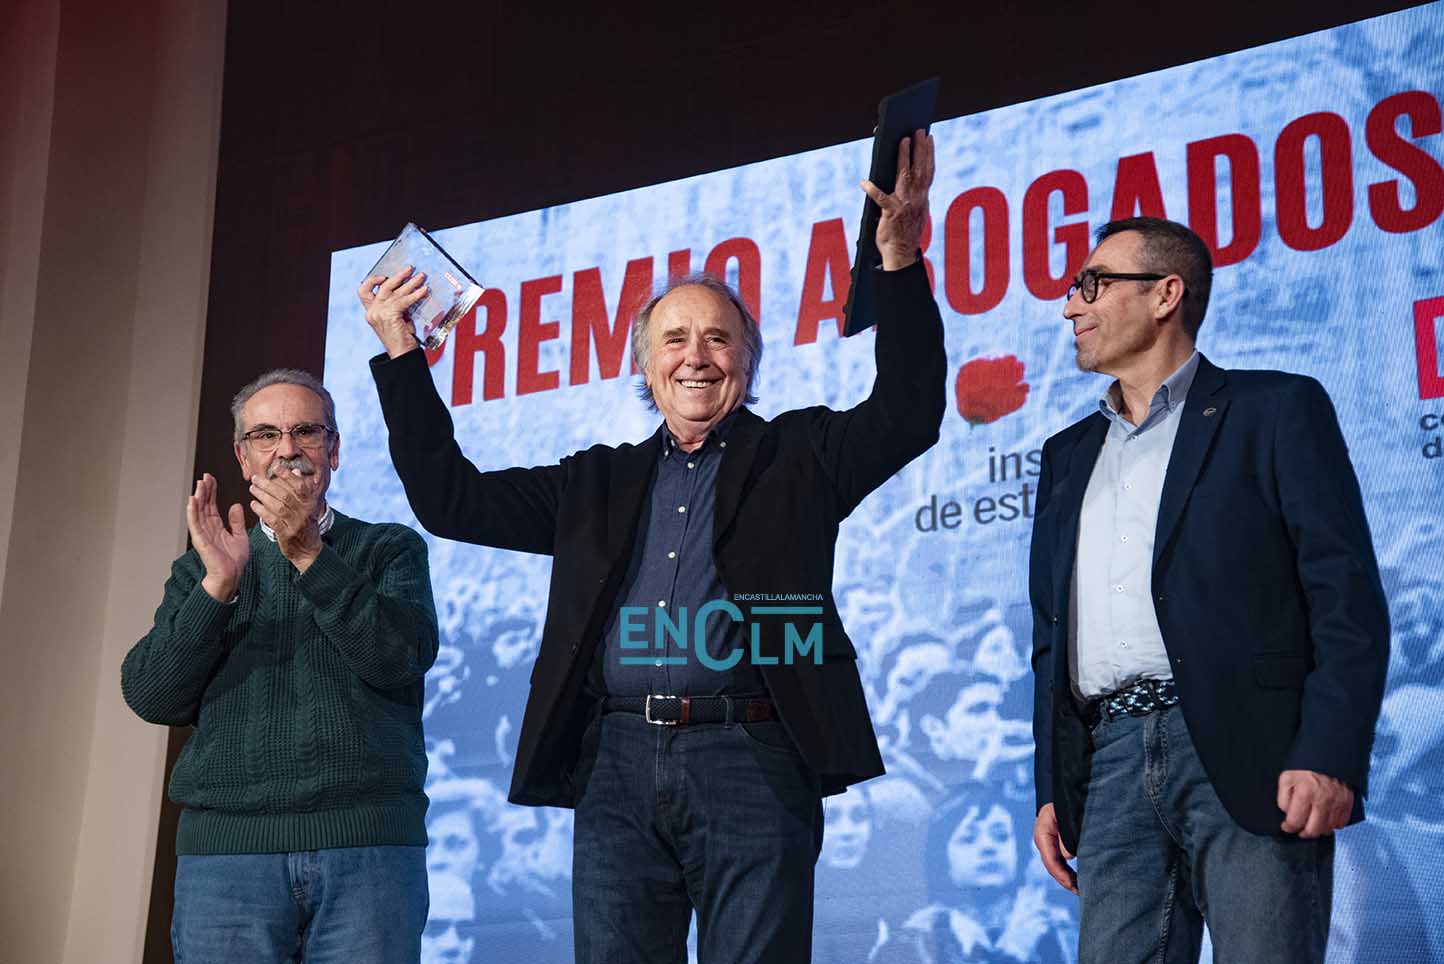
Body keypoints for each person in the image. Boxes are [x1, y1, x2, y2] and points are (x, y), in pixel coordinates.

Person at [359, 131, 945, 963]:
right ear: (644, 363)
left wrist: (900, 262)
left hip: (756, 758)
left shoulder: (800, 458)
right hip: (616, 765)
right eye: (674, 340)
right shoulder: (595, 483)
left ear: (747, 357)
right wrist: (403, 356)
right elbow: (450, 499)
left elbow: (910, 409)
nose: (696, 357)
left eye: (717, 338)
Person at [1028, 217, 1390, 962]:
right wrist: (1052, 786)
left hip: (1248, 749)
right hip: (1110, 760)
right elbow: (1050, 637)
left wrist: (1330, 750)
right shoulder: (1065, 456)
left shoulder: (1274, 409)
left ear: (1166, 294)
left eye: (1092, 284)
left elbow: (1343, 595)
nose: (1071, 306)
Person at [122, 368, 439, 962]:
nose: (287, 449)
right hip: (227, 859)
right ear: (244, 460)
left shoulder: (389, 548)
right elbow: (151, 696)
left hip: (368, 850)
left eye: (305, 432)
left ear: (335, 450)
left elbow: (400, 658)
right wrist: (218, 588)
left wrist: (309, 556)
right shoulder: (204, 567)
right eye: (266, 435)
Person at [902, 785, 1073, 964]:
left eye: (1001, 836)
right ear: (942, 859)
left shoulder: (1056, 925)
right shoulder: (918, 937)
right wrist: (1015, 948)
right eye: (969, 838)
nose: (988, 847)